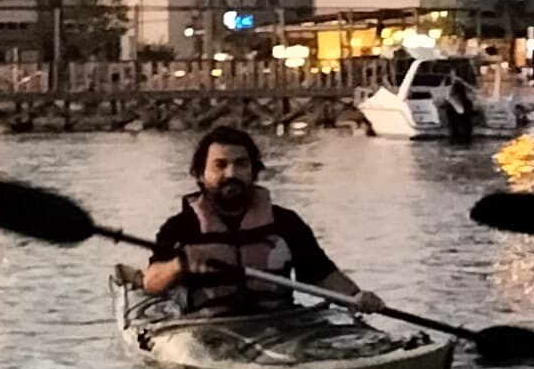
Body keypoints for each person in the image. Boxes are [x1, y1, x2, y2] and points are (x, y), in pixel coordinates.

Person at [141, 126, 387, 327]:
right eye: (220, 165)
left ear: (254, 171)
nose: (231, 173)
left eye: (241, 164)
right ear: (200, 174)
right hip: (207, 327)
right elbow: (151, 283)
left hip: (278, 323)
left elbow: (321, 274)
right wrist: (179, 264)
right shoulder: (180, 227)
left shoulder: (285, 223)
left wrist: (355, 296)